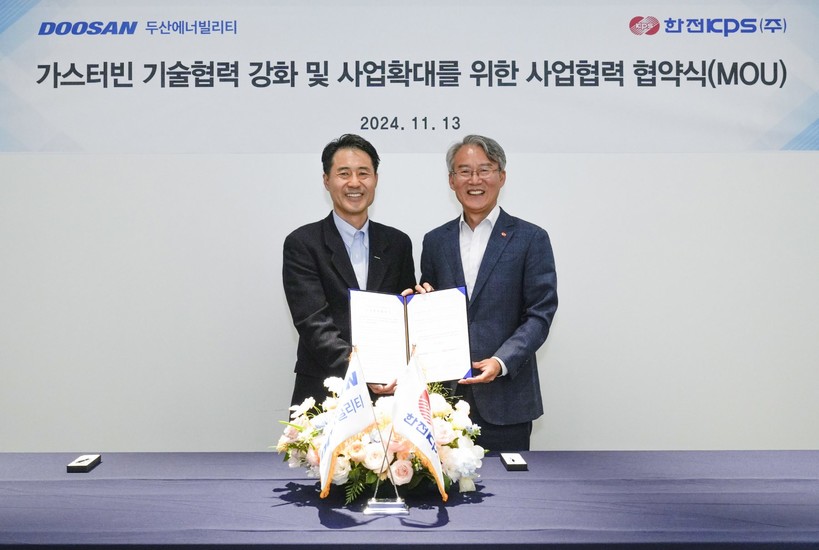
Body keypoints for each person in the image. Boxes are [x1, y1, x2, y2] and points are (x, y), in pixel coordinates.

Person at [414, 135, 558, 451]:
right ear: (452, 180)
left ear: (501, 176)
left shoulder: (531, 238)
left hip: (506, 400)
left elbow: (540, 313)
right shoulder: (435, 241)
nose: (475, 180)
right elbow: (431, 302)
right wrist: (421, 301)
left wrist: (501, 361)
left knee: (509, 481)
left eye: (484, 170)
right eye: (465, 171)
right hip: (443, 402)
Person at [283, 134, 416, 406]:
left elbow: (404, 316)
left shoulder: (398, 243)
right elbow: (313, 323)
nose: (354, 183)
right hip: (325, 391)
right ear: (326, 180)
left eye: (363, 173)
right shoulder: (303, 243)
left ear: (375, 179)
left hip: (389, 394)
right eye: (344, 173)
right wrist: (361, 370)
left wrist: (420, 305)